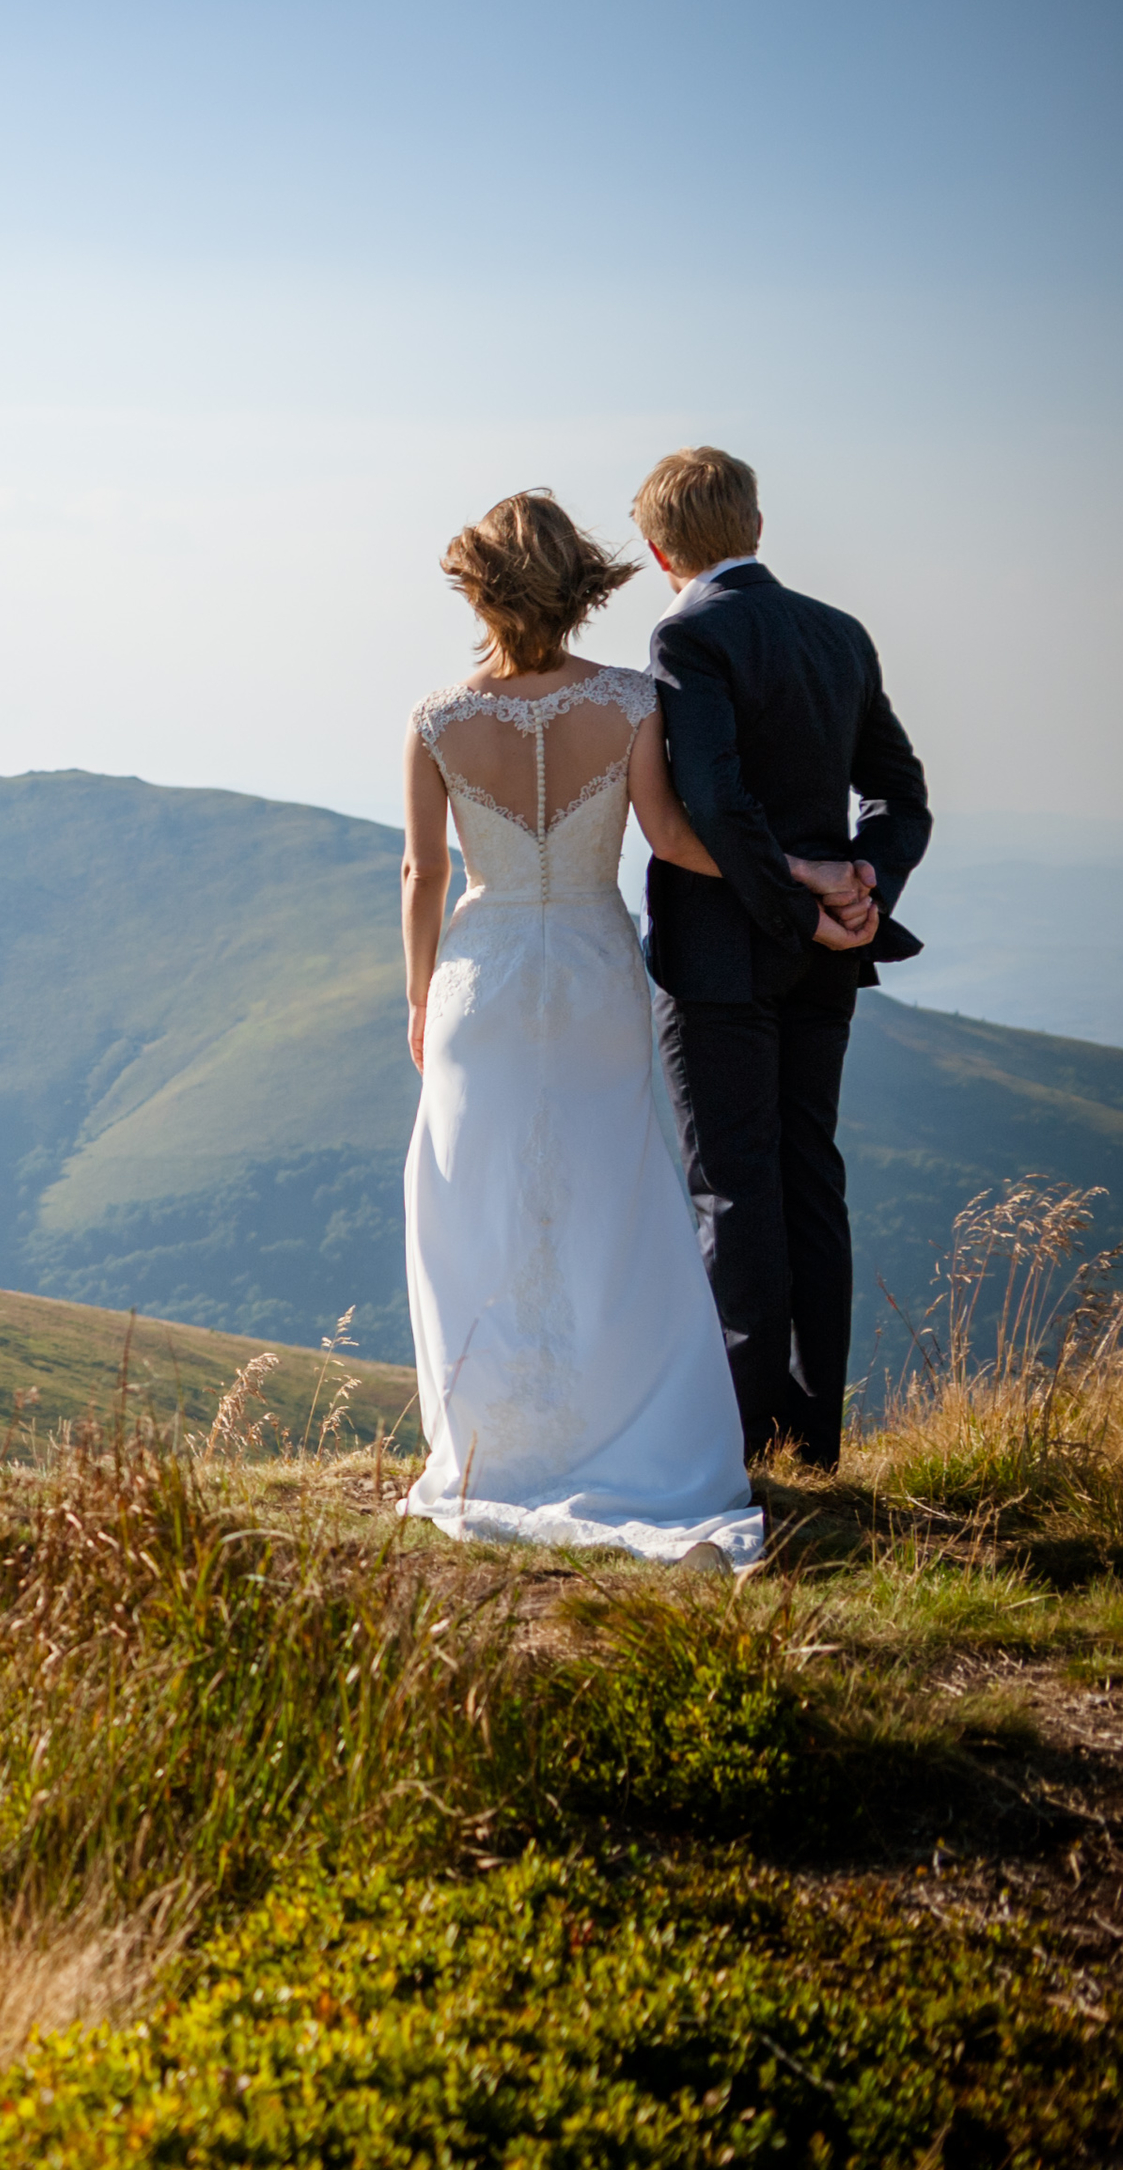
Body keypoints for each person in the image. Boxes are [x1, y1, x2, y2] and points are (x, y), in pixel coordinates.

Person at [396, 490, 831, 1569]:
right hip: (592, 975)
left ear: (479, 592)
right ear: (576, 585)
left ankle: (499, 1447)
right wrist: (806, 878)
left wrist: (414, 996)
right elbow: (677, 841)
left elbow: (424, 872)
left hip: (480, 984)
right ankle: (623, 1434)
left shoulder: (437, 720)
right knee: (613, 1202)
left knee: (477, 1204)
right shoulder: (632, 701)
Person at [629, 446, 930, 1471]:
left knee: (732, 1187)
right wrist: (862, 885)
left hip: (726, 953)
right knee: (810, 1178)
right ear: (756, 527)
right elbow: (901, 794)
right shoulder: (836, 633)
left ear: (658, 547)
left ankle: (744, 1441)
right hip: (826, 959)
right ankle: (814, 1442)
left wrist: (795, 909)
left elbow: (712, 798)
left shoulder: (685, 631)